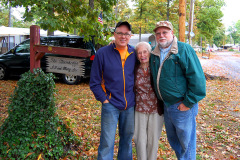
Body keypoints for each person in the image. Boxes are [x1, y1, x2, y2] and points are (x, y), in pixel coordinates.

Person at [150, 21, 206, 160]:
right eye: (158, 33)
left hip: (182, 105)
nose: (161, 35)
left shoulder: (184, 49)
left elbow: (197, 79)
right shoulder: (155, 53)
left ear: (172, 33)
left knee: (186, 143)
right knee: (174, 141)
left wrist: (188, 103)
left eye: (165, 32)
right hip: (167, 105)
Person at [90, 21, 136, 160]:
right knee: (107, 142)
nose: (123, 36)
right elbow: (94, 82)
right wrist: (104, 100)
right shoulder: (103, 53)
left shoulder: (135, 53)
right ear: (114, 35)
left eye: (126, 34)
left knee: (127, 141)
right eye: (120, 33)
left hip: (130, 105)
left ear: (130, 35)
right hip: (110, 104)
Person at [133, 41, 164, 160]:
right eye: (139, 53)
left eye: (145, 51)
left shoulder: (156, 66)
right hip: (139, 108)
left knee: (153, 140)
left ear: (150, 52)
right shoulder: (135, 68)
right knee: (139, 139)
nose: (142, 55)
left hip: (156, 109)